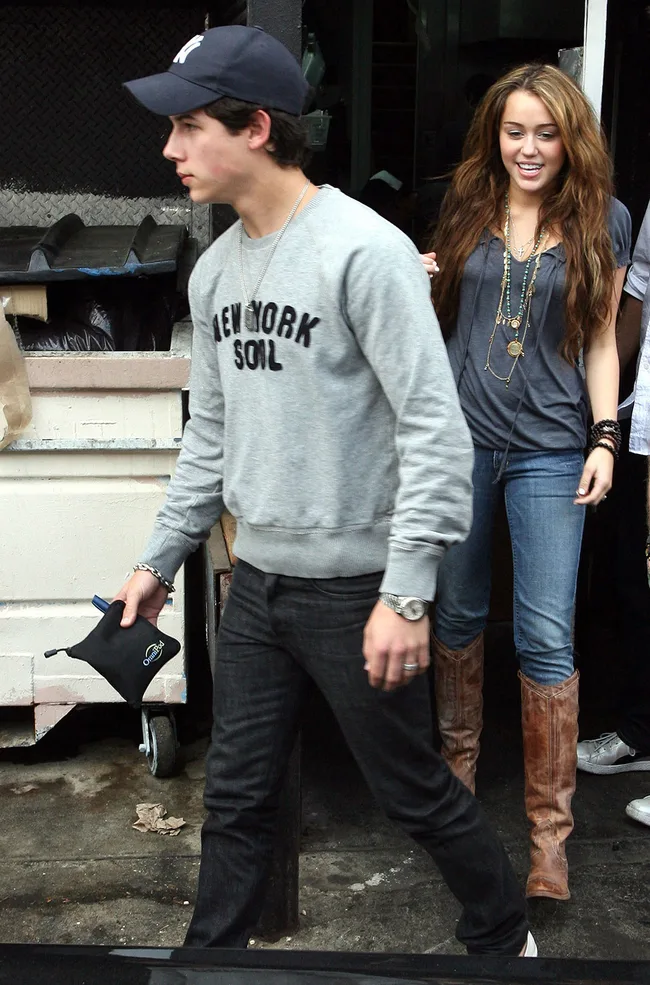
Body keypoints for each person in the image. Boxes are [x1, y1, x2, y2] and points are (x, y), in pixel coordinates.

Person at [118, 26, 534, 957]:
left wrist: (406, 592)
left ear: (256, 127)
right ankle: (208, 964)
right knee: (235, 797)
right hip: (258, 585)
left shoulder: (364, 251)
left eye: (188, 127)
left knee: (411, 792)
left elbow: (435, 430)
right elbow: (212, 437)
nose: (170, 150)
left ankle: (505, 937)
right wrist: (159, 557)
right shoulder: (218, 272)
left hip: (358, 591)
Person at [420, 64, 631, 901]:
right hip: (461, 443)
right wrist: (420, 270)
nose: (530, 148)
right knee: (459, 615)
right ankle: (457, 794)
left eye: (546, 132)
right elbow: (438, 312)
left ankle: (551, 841)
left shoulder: (601, 218)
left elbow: (604, 340)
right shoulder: (469, 201)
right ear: (494, 135)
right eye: (515, 131)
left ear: (570, 137)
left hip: (549, 449)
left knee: (546, 637)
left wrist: (605, 438)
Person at [577, 199, 650, 824]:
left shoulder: (615, 214)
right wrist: (604, 406)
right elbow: (633, 307)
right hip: (642, 423)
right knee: (635, 583)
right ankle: (639, 731)